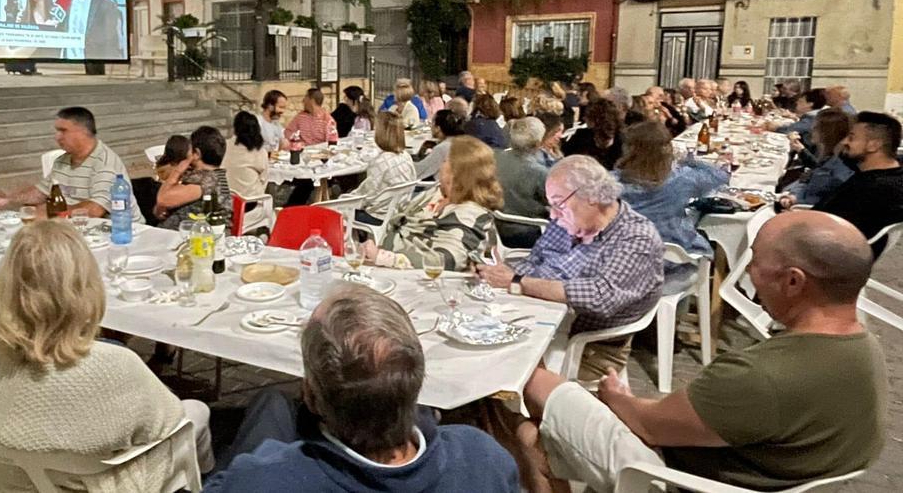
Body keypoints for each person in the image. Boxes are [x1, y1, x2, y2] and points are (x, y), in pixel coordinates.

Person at [517, 211, 887, 493]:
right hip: (760, 470)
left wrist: (618, 399)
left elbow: (648, 425)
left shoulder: (758, 375)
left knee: (532, 382)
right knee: (540, 433)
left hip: (680, 479)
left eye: (753, 259)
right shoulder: (866, 348)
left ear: (793, 281)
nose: (749, 272)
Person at [0, 221, 214, 492]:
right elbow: (169, 422)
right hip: (93, 484)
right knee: (197, 412)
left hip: (8, 480)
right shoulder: (112, 365)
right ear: (84, 286)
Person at [206, 284, 520, 492]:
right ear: (416, 384)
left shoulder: (263, 479)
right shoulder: (484, 458)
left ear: (312, 397)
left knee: (270, 403)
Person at [475, 155, 664, 380]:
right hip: (540, 319)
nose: (553, 214)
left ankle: (520, 414)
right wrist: (499, 274)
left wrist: (517, 282)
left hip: (589, 346)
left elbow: (598, 297)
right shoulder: (567, 222)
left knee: (498, 373)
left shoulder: (636, 238)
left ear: (592, 197)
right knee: (477, 353)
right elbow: (535, 260)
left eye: (558, 203)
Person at [363, 137, 501, 271]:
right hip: (391, 270)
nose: (441, 166)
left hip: (426, 283)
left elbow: (445, 261)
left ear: (456, 173)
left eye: (445, 161)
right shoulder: (437, 193)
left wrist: (383, 257)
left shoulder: (469, 214)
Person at [0, 107, 143, 222]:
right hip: (76, 227)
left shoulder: (105, 163)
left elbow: (95, 210)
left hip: (119, 232)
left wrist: (51, 215)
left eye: (63, 131)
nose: (57, 137)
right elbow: (42, 192)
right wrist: (10, 198)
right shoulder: (62, 161)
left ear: (83, 132)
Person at [615, 122, 728, 260]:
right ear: (668, 149)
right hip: (676, 260)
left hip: (629, 258)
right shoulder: (682, 179)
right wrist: (687, 159)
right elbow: (721, 176)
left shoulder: (610, 183)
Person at [809, 112, 903, 256]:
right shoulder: (889, 174)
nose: (845, 142)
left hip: (825, 255)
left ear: (873, 145)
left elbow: (830, 236)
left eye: (851, 137)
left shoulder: (873, 190)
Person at [156, 126, 232, 231]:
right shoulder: (205, 176)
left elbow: (163, 199)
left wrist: (178, 170)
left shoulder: (208, 180)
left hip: (196, 239)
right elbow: (161, 206)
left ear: (196, 154)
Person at [349, 112, 417, 226]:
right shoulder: (406, 156)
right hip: (399, 211)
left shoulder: (381, 162)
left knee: (339, 210)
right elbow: (412, 181)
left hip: (379, 216)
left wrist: (344, 199)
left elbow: (367, 196)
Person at [494, 117, 551, 249]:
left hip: (494, 227)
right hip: (528, 231)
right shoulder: (540, 173)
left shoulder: (494, 159)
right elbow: (554, 204)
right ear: (538, 143)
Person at [781, 109, 854, 206]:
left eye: (815, 127)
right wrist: (794, 196)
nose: (811, 130)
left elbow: (818, 199)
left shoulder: (840, 167)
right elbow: (808, 183)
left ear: (827, 133)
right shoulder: (830, 157)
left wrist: (795, 199)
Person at [563, 99, 625, 170]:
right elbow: (568, 157)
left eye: (587, 115)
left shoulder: (621, 139)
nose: (584, 118)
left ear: (597, 119)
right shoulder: (580, 134)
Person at [222, 111, 269, 204]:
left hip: (227, 200)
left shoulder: (224, 146)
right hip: (251, 202)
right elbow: (264, 179)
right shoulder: (259, 152)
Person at [414, 109, 467, 181]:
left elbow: (419, 171)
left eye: (432, 123)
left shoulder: (442, 148)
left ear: (438, 128)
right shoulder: (463, 142)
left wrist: (406, 161)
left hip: (439, 187)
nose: (430, 126)